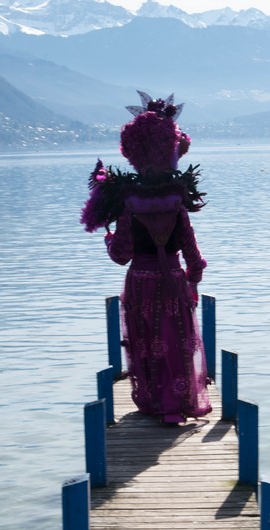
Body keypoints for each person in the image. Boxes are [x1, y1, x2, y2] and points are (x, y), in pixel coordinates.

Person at [81, 91, 211, 424]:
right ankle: (178, 403)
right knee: (177, 340)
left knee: (147, 343)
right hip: (174, 284)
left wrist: (108, 240)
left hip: (140, 283)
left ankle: (156, 403)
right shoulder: (178, 204)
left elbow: (121, 256)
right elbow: (194, 258)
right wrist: (192, 282)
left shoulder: (128, 206)